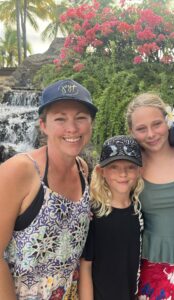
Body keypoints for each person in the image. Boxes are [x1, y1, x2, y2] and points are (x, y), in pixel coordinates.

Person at [0, 78, 98, 299]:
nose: (72, 128)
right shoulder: (20, 171)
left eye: (81, 118)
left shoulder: (82, 169)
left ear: (91, 123)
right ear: (43, 125)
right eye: (60, 119)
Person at [126, 93, 174, 299]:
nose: (151, 134)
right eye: (141, 128)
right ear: (132, 132)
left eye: (156, 124)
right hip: (148, 265)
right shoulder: (130, 169)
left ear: (168, 121)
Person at [79, 135, 144, 300]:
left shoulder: (140, 211)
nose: (122, 173)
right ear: (101, 171)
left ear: (139, 171)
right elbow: (85, 267)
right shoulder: (94, 215)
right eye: (114, 166)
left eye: (130, 167)